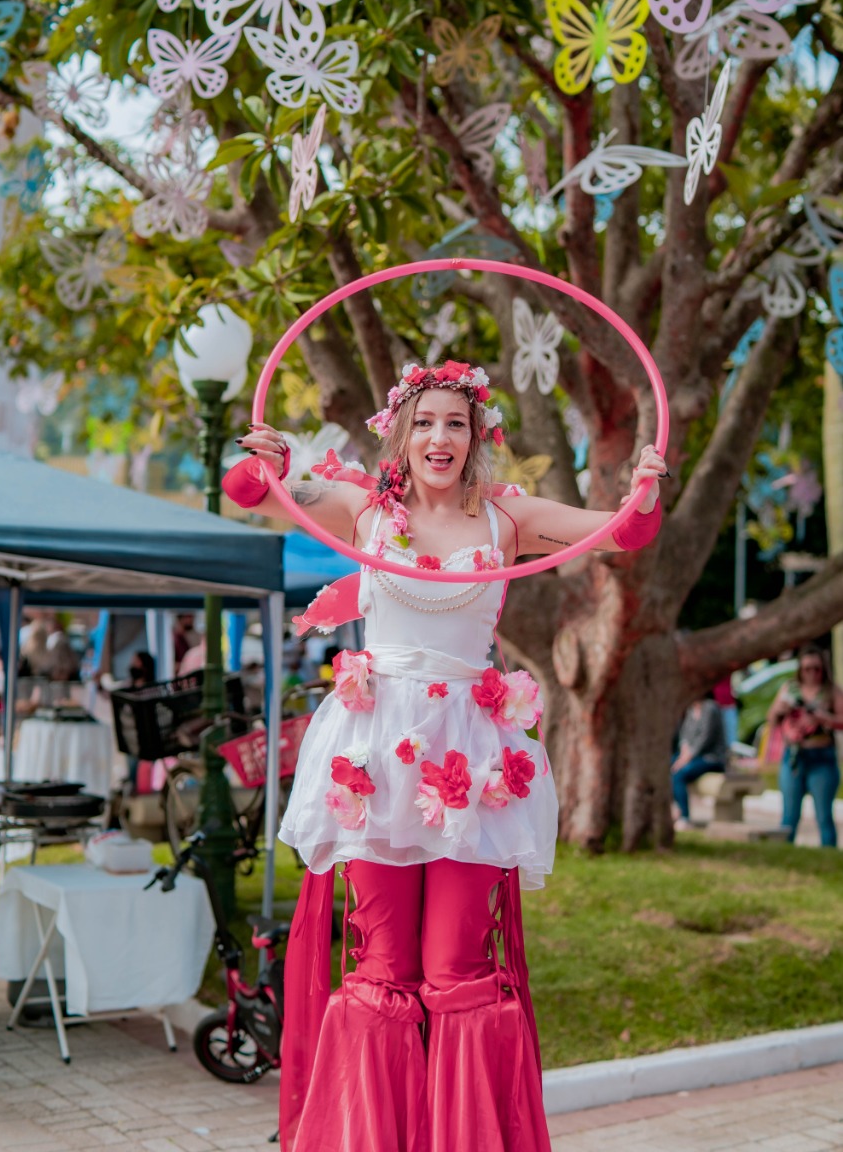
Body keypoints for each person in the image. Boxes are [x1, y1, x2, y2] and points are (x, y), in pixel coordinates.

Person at [224, 360, 666, 1152]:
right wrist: (265, 459)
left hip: (473, 758)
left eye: (455, 424)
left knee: (457, 972)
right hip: (376, 756)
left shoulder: (507, 519)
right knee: (380, 968)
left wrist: (645, 486)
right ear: (401, 431)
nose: (439, 437)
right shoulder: (365, 507)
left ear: (476, 436)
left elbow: (621, 532)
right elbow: (253, 493)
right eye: (424, 421)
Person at [767, 644, 843, 847]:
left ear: (823, 669)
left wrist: (823, 718)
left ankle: (829, 858)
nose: (812, 673)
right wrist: (780, 709)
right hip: (793, 756)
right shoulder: (789, 688)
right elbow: (772, 719)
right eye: (807, 668)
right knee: (789, 815)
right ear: (800, 669)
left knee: (823, 815)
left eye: (816, 669)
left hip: (821, 756)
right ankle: (784, 858)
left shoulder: (830, 691)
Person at [671, 696, 728, 830]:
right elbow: (684, 735)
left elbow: (705, 738)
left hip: (711, 758)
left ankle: (684, 816)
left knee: (680, 774)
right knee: (668, 766)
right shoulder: (691, 709)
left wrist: (685, 758)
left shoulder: (710, 708)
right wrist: (683, 752)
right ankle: (674, 808)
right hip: (690, 756)